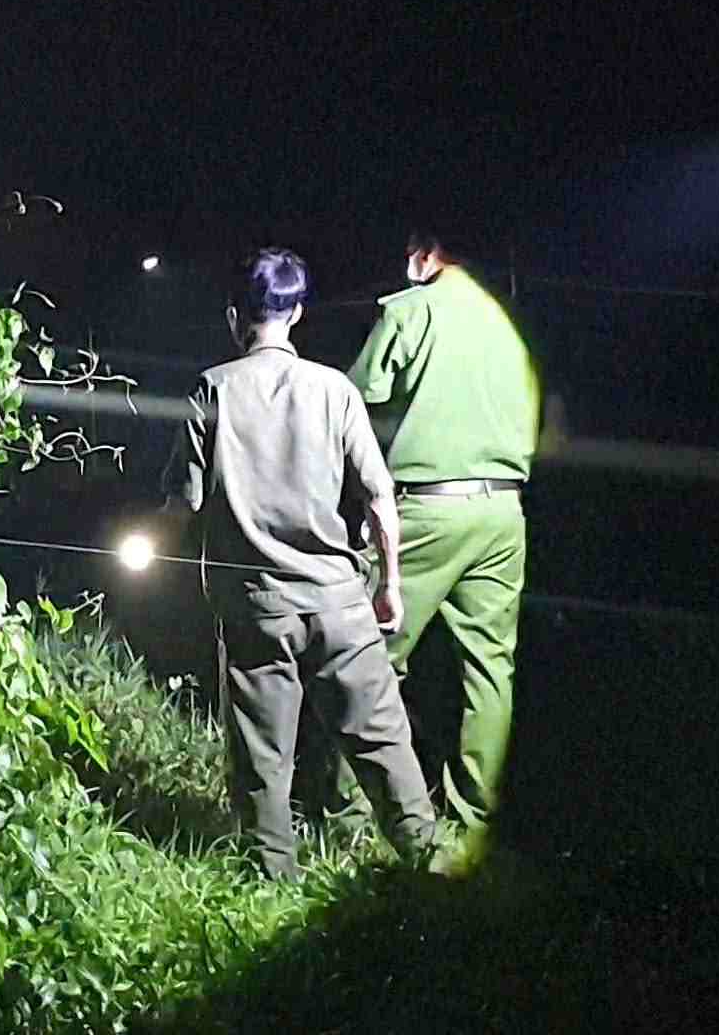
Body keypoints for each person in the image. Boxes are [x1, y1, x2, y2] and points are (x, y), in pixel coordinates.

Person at [161, 248, 437, 881]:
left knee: (263, 755)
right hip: (339, 599)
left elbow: (185, 503)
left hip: (257, 603)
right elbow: (377, 496)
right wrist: (389, 584)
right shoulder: (335, 389)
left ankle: (272, 879)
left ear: (237, 317)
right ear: (298, 313)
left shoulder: (213, 388)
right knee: (383, 742)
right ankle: (428, 865)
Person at [346, 229, 539, 848]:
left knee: (363, 655)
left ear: (427, 253)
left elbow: (353, 399)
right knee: (490, 670)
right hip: (504, 513)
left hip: (429, 510)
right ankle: (473, 827)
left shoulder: (412, 310)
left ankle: (350, 813)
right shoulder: (506, 327)